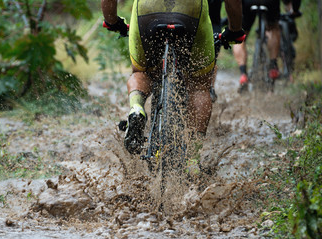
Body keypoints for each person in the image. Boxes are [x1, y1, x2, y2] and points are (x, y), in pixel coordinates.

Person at [101, 0, 245, 154]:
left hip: (147, 11)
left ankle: (136, 108)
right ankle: (192, 158)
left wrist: (112, 21)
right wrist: (234, 30)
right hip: (191, 13)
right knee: (198, 85)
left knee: (141, 72)